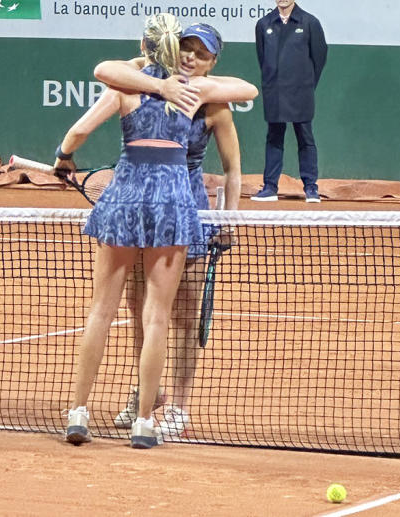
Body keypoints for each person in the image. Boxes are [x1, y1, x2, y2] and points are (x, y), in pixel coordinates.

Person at [60, 13, 256, 449]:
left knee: (177, 315)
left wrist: (228, 219)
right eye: (186, 48)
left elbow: (234, 161)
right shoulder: (144, 82)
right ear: (172, 48)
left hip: (183, 209)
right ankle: (145, 403)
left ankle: (175, 407)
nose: (191, 56)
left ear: (212, 62)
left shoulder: (209, 97)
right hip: (164, 206)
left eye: (202, 54)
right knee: (141, 309)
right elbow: (110, 70)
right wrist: (159, 82)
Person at [250, 0, 327, 203]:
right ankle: (269, 187)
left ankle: (311, 188)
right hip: (274, 92)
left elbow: (319, 58)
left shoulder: (310, 22)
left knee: (305, 138)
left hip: (301, 93)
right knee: (274, 137)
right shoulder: (263, 24)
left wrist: (306, 85)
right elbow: (262, 59)